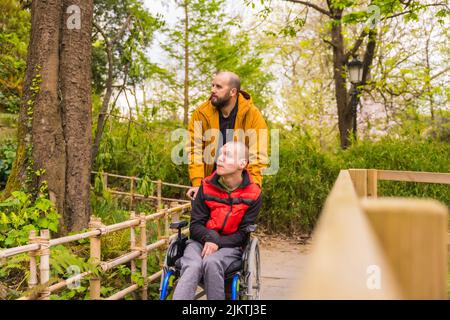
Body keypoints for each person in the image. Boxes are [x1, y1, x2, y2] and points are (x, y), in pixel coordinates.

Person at [173, 141, 262, 300]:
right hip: (199, 242)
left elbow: (243, 233)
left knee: (212, 263)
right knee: (193, 265)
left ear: (242, 163)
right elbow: (195, 226)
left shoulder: (253, 194)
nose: (219, 159)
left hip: (231, 246)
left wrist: (217, 242)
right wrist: (210, 238)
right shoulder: (206, 187)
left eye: (226, 155)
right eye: (219, 154)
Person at [185, 71, 268, 200]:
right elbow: (194, 149)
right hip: (208, 185)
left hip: (239, 186)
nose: (213, 90)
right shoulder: (201, 113)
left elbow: (258, 154)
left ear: (233, 92)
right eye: (212, 85)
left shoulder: (253, 115)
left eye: (218, 87)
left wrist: (253, 186)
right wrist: (197, 183)